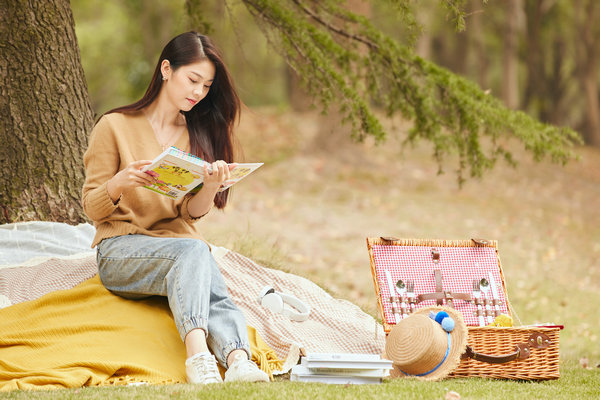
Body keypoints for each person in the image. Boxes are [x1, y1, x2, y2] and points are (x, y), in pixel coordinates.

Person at [82, 31, 269, 385]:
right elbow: (93, 208)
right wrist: (119, 183)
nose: (198, 92)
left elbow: (190, 215)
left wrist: (211, 186)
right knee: (194, 252)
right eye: (192, 80)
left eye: (206, 86)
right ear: (166, 69)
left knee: (195, 251)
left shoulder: (198, 133)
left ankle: (238, 359)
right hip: (121, 251)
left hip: (181, 247)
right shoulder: (114, 126)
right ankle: (199, 357)